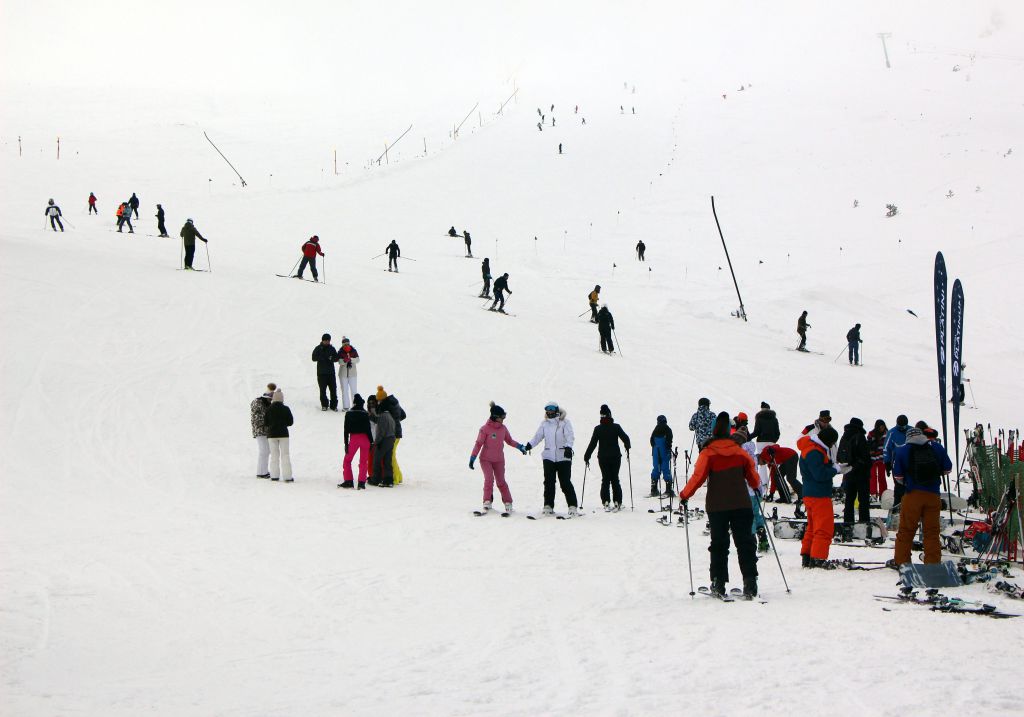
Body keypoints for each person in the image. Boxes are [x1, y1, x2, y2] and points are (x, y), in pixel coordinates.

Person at [680, 411, 762, 598]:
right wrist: (757, 486)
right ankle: (750, 582)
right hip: (741, 503)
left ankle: (718, 582)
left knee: (719, 544)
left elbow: (698, 477)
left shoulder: (708, 453)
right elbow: (752, 474)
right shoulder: (739, 451)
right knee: (745, 543)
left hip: (717, 506)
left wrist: (685, 495)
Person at [893, 426, 952, 564]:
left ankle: (902, 562)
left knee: (906, 531)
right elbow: (948, 468)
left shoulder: (903, 450)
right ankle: (932, 563)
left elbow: (898, 476)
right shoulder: (936, 447)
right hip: (933, 495)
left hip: (912, 494)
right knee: (931, 532)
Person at [797, 425, 850, 567]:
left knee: (813, 527)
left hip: (810, 493)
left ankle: (807, 556)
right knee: (824, 528)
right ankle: (818, 559)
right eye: (832, 442)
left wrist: (834, 467)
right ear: (828, 440)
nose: (833, 445)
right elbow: (819, 475)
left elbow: (818, 469)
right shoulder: (815, 452)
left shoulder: (811, 448)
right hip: (819, 494)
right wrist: (836, 470)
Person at [470, 402, 527, 512]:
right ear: (496, 417)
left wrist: (520, 447)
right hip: (485, 459)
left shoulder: (503, 429)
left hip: (499, 460)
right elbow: (478, 444)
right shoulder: (485, 429)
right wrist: (473, 457)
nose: (503, 419)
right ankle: (487, 501)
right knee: (489, 479)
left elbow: (509, 441)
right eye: (502, 417)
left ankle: (508, 502)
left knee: (501, 481)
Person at [526, 402, 578, 516]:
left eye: (551, 409)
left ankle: (572, 506)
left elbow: (570, 436)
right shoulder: (544, 424)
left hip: (563, 457)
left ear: (556, 410)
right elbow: (538, 436)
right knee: (549, 482)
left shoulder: (564, 422)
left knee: (565, 482)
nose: (549, 411)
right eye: (547, 409)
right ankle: (548, 505)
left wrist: (568, 447)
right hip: (548, 456)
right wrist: (530, 445)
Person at [583, 404, 631, 511]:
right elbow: (625, 438)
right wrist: (627, 447)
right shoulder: (616, 427)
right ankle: (617, 501)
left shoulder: (598, 429)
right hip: (615, 457)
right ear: (610, 415)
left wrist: (587, 456)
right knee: (615, 479)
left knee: (605, 479)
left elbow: (593, 444)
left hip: (603, 458)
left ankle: (606, 501)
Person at [733, 419, 769, 553]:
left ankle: (751, 541)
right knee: (756, 514)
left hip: (746, 491)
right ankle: (763, 539)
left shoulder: (739, 454)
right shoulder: (752, 454)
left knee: (749, 518)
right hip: (756, 489)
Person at [837, 417, 871, 524]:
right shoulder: (860, 436)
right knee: (863, 500)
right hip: (861, 473)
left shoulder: (844, 436)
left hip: (848, 472)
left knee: (849, 499)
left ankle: (848, 522)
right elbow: (865, 456)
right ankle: (864, 522)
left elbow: (839, 456)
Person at [339, 394, 372, 489]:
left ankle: (348, 480)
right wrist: (371, 442)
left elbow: (346, 430)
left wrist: (346, 443)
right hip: (365, 439)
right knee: (363, 462)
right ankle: (361, 483)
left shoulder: (349, 413)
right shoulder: (365, 413)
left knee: (347, 460)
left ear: (354, 403)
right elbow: (368, 430)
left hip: (354, 439)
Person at [377, 386, 406, 485]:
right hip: (398, 432)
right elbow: (403, 415)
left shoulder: (385, 406)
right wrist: (396, 422)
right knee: (393, 455)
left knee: (391, 456)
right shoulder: (395, 402)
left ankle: (395, 478)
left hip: (392, 434)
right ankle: (399, 476)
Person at [264, 388, 294, 482]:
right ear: (282, 399)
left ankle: (274, 476)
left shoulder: (269, 409)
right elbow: (290, 422)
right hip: (283, 435)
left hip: (271, 435)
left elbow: (266, 422)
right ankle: (287, 477)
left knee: (274, 455)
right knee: (285, 455)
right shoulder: (286, 408)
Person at [749, 401, 780, 491]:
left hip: (761, 443)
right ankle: (775, 484)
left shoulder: (759, 418)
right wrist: (774, 440)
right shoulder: (774, 419)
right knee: (773, 464)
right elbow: (777, 433)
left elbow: (756, 432)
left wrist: (748, 437)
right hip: (772, 443)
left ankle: (764, 484)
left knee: (762, 464)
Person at [368, 391, 397, 487]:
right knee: (387, 460)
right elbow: (382, 423)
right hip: (391, 439)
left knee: (377, 459)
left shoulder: (383, 416)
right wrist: (372, 416)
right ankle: (389, 480)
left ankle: (376, 479)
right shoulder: (389, 415)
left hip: (384, 440)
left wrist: (377, 442)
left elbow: (381, 431)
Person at [883, 414, 911, 505]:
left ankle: (910, 504)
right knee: (899, 486)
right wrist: (887, 463)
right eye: (900, 426)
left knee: (911, 485)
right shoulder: (892, 433)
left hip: (911, 464)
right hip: (897, 464)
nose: (902, 428)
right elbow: (886, 448)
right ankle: (898, 503)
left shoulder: (911, 431)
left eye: (904, 426)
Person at [250, 383, 275, 478]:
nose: (271, 400)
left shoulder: (267, 404)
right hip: (260, 430)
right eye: (270, 399)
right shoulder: (257, 402)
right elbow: (256, 417)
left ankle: (263, 471)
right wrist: (268, 419)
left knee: (266, 451)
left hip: (265, 430)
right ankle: (261, 472)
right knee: (263, 451)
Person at [311, 333, 339, 411]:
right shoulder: (318, 348)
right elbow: (313, 358)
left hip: (331, 373)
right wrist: (322, 358)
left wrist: (331, 358)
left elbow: (336, 358)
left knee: (333, 390)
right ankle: (324, 405)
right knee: (322, 390)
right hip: (321, 374)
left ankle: (334, 406)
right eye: (325, 340)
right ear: (322, 340)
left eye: (328, 340)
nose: (327, 342)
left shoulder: (332, 348)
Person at [649, 415, 673, 498]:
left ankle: (654, 489)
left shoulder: (655, 429)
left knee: (656, 468)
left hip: (656, 452)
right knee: (666, 469)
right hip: (664, 452)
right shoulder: (667, 429)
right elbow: (669, 441)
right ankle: (668, 489)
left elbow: (651, 441)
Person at [867, 419, 889, 498]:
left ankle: (883, 494)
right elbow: (868, 445)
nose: (882, 428)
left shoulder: (887, 434)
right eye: (880, 427)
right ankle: (873, 494)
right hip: (872, 459)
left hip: (882, 458)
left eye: (883, 426)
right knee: (872, 476)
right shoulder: (871, 434)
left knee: (882, 476)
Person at [338, 337, 359, 411]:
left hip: (352, 374)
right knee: (344, 390)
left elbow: (358, 359)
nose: (347, 345)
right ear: (343, 344)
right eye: (345, 344)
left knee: (354, 390)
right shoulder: (340, 352)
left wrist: (351, 359)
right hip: (343, 374)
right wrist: (344, 360)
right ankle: (346, 406)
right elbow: (340, 362)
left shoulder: (353, 350)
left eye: (348, 344)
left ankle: (355, 405)